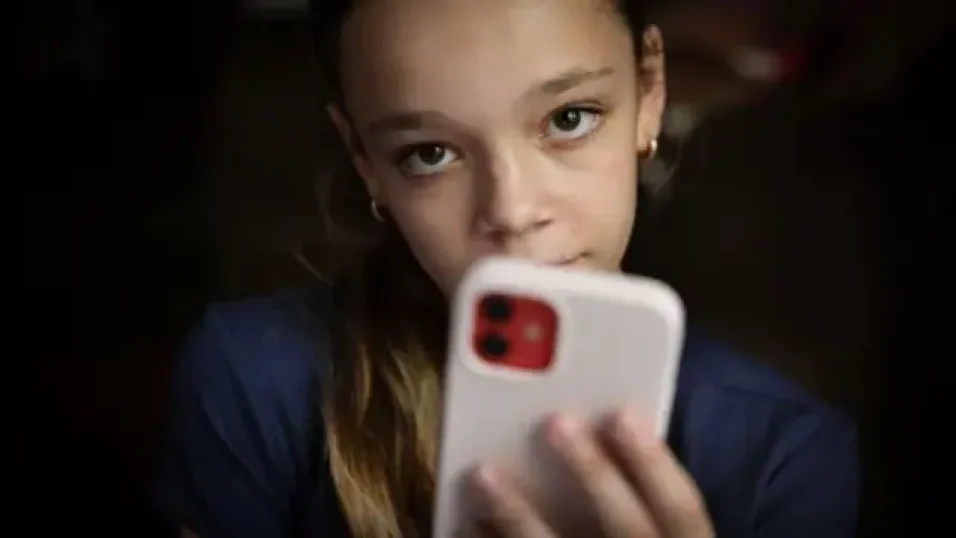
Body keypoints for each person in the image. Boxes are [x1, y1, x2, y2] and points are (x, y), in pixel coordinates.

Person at [154, 1, 859, 536]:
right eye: (429, 153)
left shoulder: (786, 456)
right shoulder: (256, 379)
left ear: (650, 93)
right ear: (365, 160)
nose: (513, 210)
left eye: (570, 118)